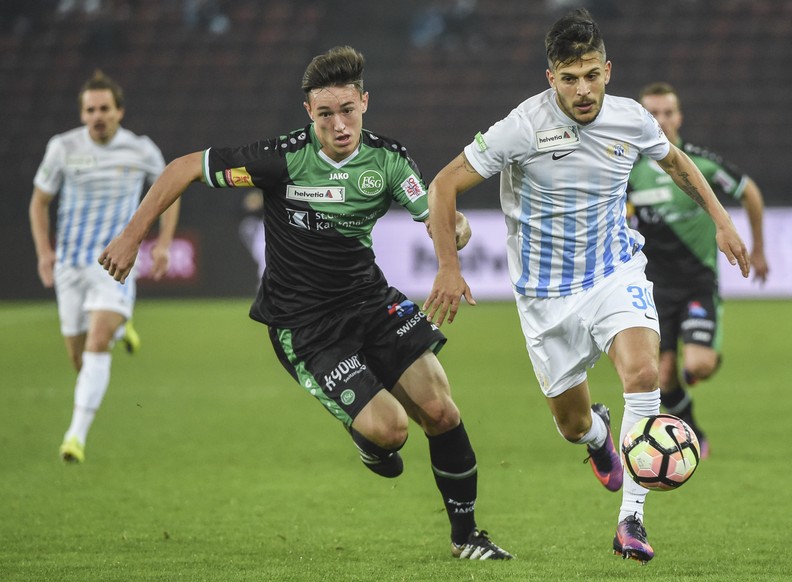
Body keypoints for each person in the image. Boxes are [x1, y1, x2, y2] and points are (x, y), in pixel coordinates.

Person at [98, 46, 512, 561]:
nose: (339, 125)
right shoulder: (281, 159)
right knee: (392, 431)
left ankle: (466, 537)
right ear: (308, 113)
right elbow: (183, 168)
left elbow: (431, 210)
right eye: (325, 114)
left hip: (369, 302)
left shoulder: (386, 160)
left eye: (348, 110)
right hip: (305, 325)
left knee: (441, 409)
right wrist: (132, 237)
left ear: (365, 101)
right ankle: (369, 439)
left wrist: (456, 233)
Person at [424, 9, 750, 564]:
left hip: (613, 272)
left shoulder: (631, 119)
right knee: (571, 424)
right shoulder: (521, 127)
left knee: (644, 371)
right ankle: (599, 437)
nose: (583, 89)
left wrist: (721, 219)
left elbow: (677, 164)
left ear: (608, 71)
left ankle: (632, 520)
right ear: (551, 78)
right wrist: (449, 266)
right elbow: (443, 184)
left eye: (592, 75)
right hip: (545, 296)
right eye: (570, 78)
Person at [29, 70, 180, 464]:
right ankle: (119, 329)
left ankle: (74, 438)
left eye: (105, 109)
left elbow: (170, 191)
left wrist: (162, 244)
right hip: (70, 266)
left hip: (114, 263)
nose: (97, 115)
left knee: (96, 342)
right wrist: (45, 253)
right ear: (82, 113)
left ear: (119, 112)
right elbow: (39, 202)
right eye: (90, 109)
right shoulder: (62, 148)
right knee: (80, 360)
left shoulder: (140, 149)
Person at [628, 82, 769, 459]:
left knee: (698, 365)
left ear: (679, 117)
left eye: (667, 113)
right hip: (653, 287)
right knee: (663, 376)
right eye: (652, 114)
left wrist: (758, 248)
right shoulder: (627, 172)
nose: (661, 120)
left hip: (696, 282)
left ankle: (703, 358)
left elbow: (749, 192)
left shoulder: (700, 164)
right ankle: (693, 431)